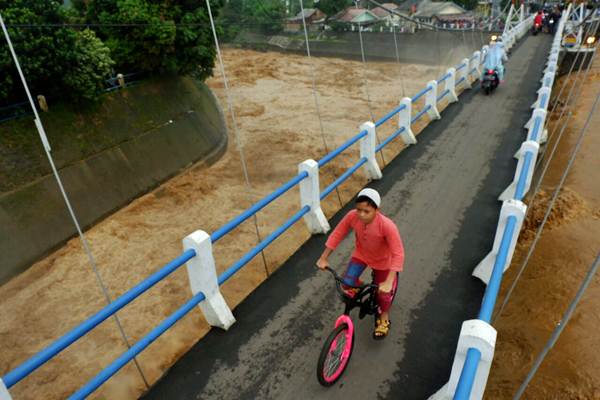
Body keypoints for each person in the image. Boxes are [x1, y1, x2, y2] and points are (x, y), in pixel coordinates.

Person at [316, 188, 405, 339]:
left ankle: (384, 318)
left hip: (383, 262)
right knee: (346, 283)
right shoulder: (352, 216)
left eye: (367, 211)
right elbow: (338, 234)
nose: (361, 215)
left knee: (382, 295)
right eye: (359, 210)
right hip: (362, 255)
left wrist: (389, 281)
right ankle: (360, 286)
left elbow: (398, 254)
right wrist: (324, 257)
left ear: (377, 210)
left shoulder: (387, 226)